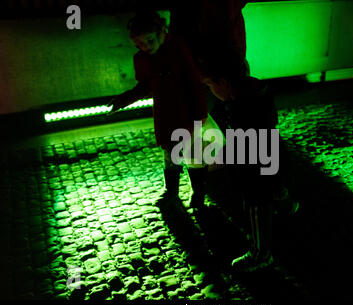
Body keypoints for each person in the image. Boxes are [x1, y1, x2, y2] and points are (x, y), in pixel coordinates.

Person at [198, 47, 289, 272]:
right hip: (270, 157)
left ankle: (260, 253)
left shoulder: (241, 107)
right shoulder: (255, 93)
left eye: (210, 85)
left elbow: (243, 143)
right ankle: (285, 203)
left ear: (224, 83)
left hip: (253, 167)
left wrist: (221, 157)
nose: (210, 91)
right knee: (274, 187)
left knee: (256, 204)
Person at [108, 11, 208, 209]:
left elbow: (194, 83)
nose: (145, 48)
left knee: (193, 155)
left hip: (186, 112)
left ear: (162, 33)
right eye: (139, 45)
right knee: (171, 154)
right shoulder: (143, 58)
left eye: (149, 42)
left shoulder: (178, 49)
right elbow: (145, 85)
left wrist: (200, 115)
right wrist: (124, 99)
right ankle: (172, 192)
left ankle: (198, 193)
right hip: (165, 113)